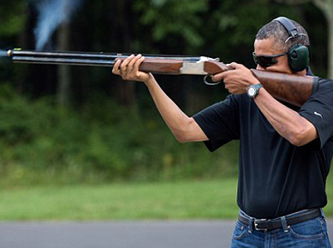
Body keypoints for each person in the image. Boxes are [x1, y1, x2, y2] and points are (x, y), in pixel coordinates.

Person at [112, 17, 333, 247]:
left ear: (298, 59)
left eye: (266, 61)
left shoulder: (324, 93)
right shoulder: (247, 98)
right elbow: (185, 130)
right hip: (247, 234)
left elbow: (299, 133)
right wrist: (149, 81)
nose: (257, 69)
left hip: (300, 234)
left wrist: (253, 89)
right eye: (255, 60)